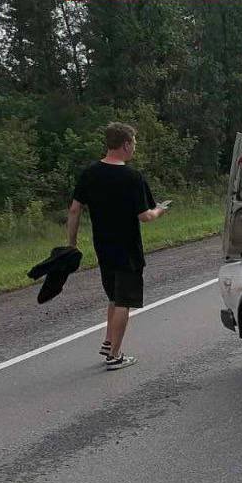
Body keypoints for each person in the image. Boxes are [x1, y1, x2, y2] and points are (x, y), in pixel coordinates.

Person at [66, 122, 169, 370]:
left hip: (103, 246)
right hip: (128, 248)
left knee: (114, 295)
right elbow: (144, 216)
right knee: (124, 300)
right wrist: (160, 210)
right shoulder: (133, 177)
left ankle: (108, 341)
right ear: (125, 144)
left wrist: (71, 243)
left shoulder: (89, 173)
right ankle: (115, 355)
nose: (134, 147)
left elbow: (74, 209)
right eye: (133, 143)